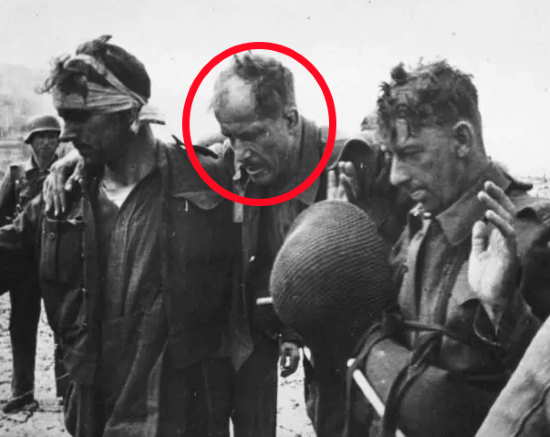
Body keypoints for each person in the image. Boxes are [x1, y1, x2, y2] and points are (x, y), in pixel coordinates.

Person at [0, 35, 236, 436]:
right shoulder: (60, 200)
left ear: (128, 112)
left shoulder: (204, 180)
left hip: (181, 412)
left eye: (79, 117)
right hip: (94, 410)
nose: (65, 135)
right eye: (63, 118)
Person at [342, 60, 550, 436]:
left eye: (411, 153)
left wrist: (505, 310)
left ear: (462, 140)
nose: (396, 176)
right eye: (392, 156)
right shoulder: (420, 223)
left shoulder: (534, 236)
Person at [209, 53, 406, 437]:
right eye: (230, 137)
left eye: (251, 135)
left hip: (375, 357)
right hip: (314, 356)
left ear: (290, 120)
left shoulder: (352, 160)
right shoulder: (241, 162)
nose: (239, 153)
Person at [0, 114, 65, 413]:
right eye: (41, 137)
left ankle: (67, 391)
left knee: (64, 326)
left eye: (52, 137)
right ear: (30, 142)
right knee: (22, 325)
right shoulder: (16, 175)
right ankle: (22, 391)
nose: (47, 143)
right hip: (24, 267)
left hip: (59, 263)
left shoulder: (68, 172)